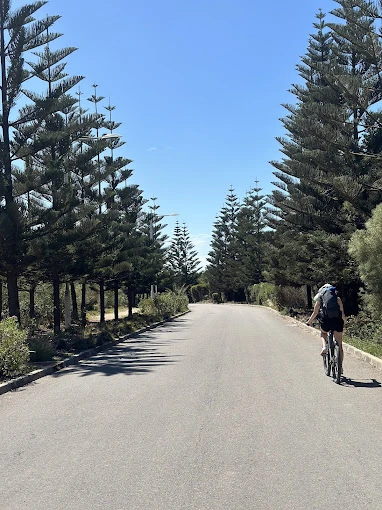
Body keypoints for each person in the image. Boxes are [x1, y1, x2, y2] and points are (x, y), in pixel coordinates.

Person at [306, 284, 346, 363]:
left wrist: (309, 322)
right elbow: (342, 313)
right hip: (337, 321)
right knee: (339, 345)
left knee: (323, 333)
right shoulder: (337, 299)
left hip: (326, 321)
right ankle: (340, 367)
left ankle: (324, 346)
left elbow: (315, 312)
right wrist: (344, 322)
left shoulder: (320, 299)